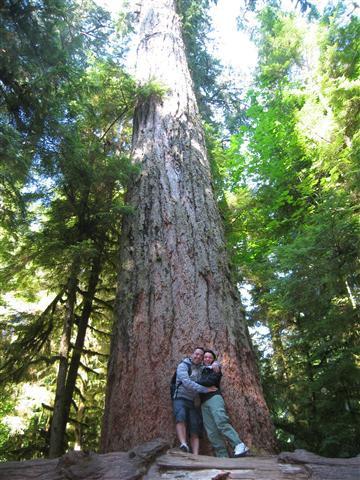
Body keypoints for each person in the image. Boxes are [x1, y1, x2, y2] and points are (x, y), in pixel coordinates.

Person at [197, 349, 249, 458]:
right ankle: (222, 456)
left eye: (210, 357)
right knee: (211, 432)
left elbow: (210, 382)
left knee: (221, 422)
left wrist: (195, 383)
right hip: (203, 403)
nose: (207, 359)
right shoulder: (199, 370)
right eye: (205, 357)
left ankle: (239, 444)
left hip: (214, 398)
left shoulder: (216, 369)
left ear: (213, 360)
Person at [172, 347, 217, 454]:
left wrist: (216, 364)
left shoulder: (201, 368)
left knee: (194, 426)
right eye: (196, 354)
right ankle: (183, 444)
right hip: (180, 397)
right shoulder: (183, 365)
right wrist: (205, 390)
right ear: (192, 354)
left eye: (201, 356)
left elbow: (211, 366)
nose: (198, 357)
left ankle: (196, 454)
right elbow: (186, 383)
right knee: (180, 417)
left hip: (193, 401)